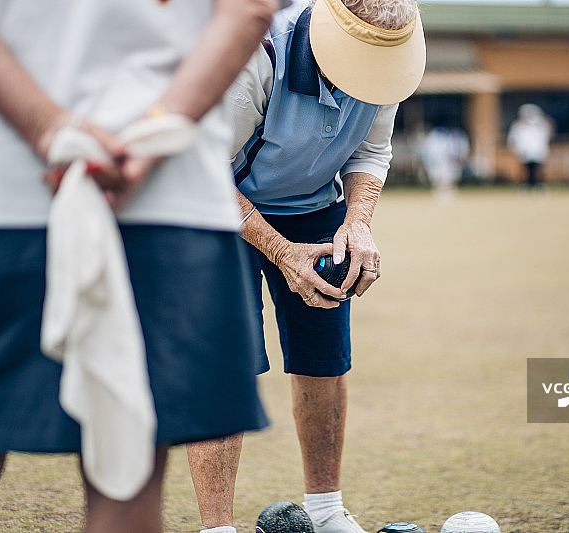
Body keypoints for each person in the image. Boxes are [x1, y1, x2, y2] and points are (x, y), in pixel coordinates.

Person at [0, 0, 278, 531]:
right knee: (130, 471)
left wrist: (52, 129)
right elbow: (247, 10)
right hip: (164, 191)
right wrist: (149, 138)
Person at [185, 1, 425, 533]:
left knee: (324, 360)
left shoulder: (391, 53)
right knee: (229, 364)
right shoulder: (257, 56)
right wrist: (281, 251)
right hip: (217, 209)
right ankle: (218, 527)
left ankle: (325, 510)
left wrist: (358, 224)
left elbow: (371, 150)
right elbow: (200, 171)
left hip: (316, 206)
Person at [507, 103, 555, 189]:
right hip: (524, 152)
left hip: (538, 151)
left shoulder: (541, 125)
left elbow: (548, 135)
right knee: (526, 169)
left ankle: (539, 184)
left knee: (538, 169)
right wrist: (517, 149)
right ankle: (526, 185)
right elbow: (513, 139)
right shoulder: (518, 126)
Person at [420, 125, 470, 204]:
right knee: (440, 177)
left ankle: (447, 193)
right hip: (436, 164)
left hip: (447, 163)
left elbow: (453, 154)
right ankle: (440, 193)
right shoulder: (433, 139)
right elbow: (427, 154)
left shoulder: (448, 139)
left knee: (449, 176)